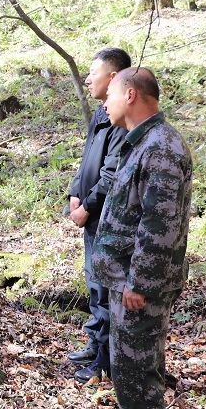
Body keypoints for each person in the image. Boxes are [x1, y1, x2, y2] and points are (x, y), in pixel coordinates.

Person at [92, 67, 193, 409]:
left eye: (111, 95)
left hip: (140, 286)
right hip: (128, 280)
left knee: (134, 367)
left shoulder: (160, 147)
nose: (105, 102)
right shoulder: (141, 142)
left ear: (131, 95)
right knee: (136, 364)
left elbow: (160, 225)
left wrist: (139, 283)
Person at [67, 47, 131, 383]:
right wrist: (74, 194)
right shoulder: (101, 114)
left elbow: (111, 173)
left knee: (106, 290)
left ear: (114, 76)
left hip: (107, 219)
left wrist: (88, 206)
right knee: (94, 285)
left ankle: (105, 362)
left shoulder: (122, 120)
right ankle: (95, 345)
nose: (87, 79)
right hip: (90, 215)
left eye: (94, 73)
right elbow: (88, 160)